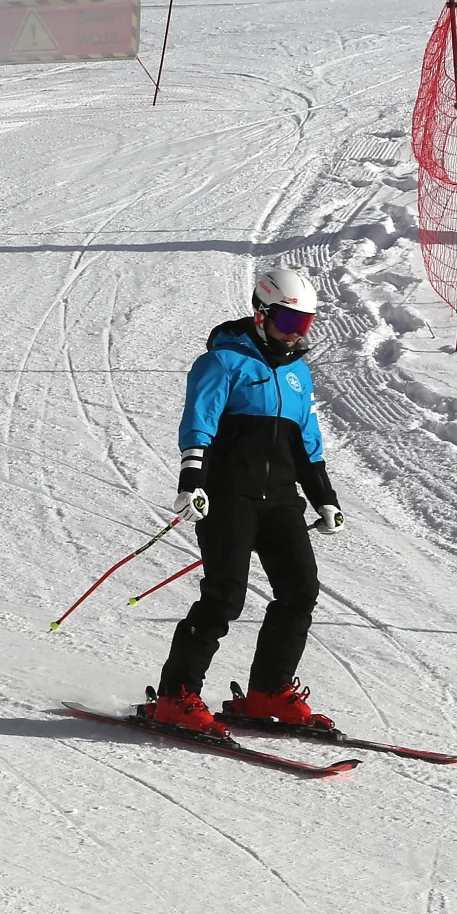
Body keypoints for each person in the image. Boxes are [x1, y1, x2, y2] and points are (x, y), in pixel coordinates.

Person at [144, 267, 347, 737]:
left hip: (280, 500)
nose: (297, 335)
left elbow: (307, 443)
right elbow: (200, 423)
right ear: (261, 314)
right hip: (228, 496)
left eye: (305, 325)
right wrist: (192, 482)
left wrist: (324, 498)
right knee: (225, 596)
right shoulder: (223, 363)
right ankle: (176, 696)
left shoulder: (298, 373)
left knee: (300, 591)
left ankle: (267, 693)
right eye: (289, 323)